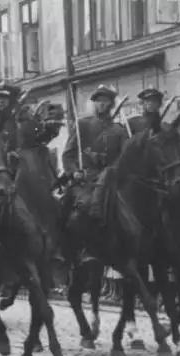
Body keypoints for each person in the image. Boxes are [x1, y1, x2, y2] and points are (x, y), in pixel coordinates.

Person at [61, 85, 127, 263]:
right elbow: (67, 154)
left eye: (105, 102)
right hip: (86, 180)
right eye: (98, 102)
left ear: (112, 105)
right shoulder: (83, 125)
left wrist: (113, 170)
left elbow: (125, 156)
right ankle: (83, 248)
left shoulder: (118, 130)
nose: (102, 105)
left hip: (111, 179)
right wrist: (74, 172)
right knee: (82, 208)